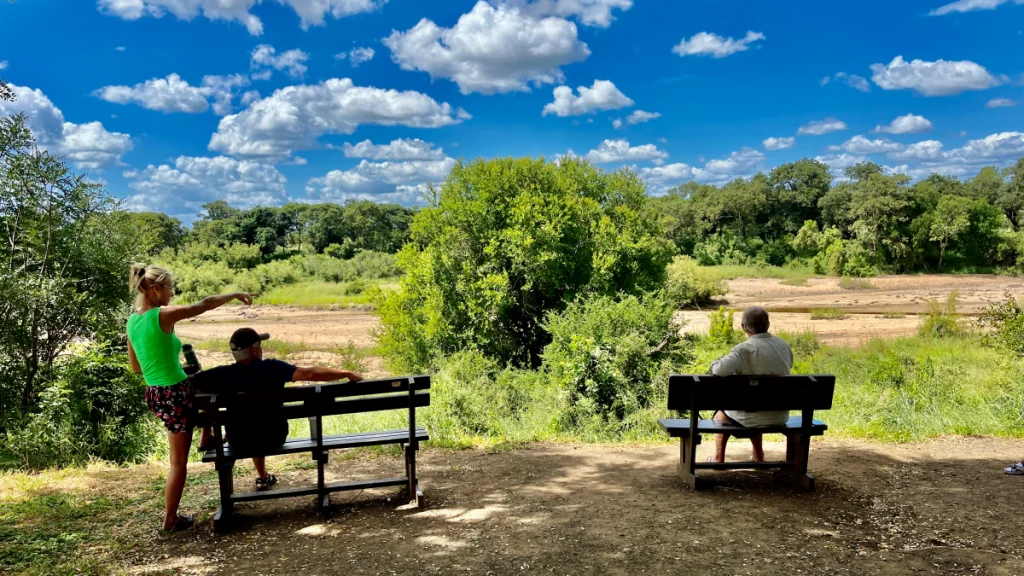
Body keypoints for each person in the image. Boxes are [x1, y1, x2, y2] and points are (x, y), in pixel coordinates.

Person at [126, 264, 253, 533]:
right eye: (170, 287)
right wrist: (234, 294)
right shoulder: (163, 315)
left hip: (156, 393)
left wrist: (174, 368)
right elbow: (204, 304)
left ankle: (207, 435)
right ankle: (170, 518)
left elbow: (137, 367)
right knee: (177, 463)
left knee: (205, 383)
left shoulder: (132, 321)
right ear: (157, 289)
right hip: (174, 393)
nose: (172, 293)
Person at [198, 327, 364, 491]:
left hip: (239, 442)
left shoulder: (221, 375)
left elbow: (192, 385)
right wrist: (345, 373)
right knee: (259, 423)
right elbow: (310, 374)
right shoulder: (273, 368)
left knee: (248, 424)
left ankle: (262, 477)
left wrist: (206, 430)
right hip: (274, 438)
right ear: (255, 351)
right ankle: (263, 476)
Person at [707, 306, 794, 463]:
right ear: (767, 325)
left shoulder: (743, 350)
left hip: (751, 413)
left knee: (723, 413)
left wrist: (715, 363)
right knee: (755, 403)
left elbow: (718, 370)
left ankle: (718, 458)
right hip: (779, 416)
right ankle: (758, 456)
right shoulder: (783, 346)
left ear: (743, 327)